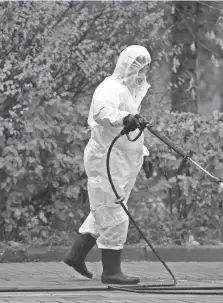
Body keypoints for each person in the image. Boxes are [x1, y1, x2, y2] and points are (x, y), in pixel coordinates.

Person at [63, 45, 153, 285]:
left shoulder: (126, 91)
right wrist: (124, 117)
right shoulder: (110, 88)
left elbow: (127, 133)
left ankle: (76, 254)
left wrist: (143, 155)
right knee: (114, 213)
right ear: (127, 66)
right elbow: (102, 113)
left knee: (104, 208)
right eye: (139, 69)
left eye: (145, 70)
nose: (142, 75)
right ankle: (112, 271)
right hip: (105, 159)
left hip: (120, 161)